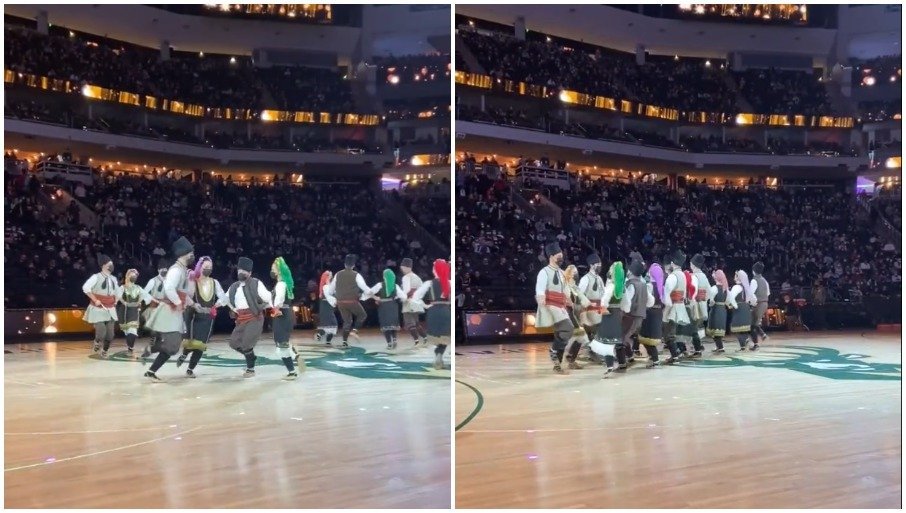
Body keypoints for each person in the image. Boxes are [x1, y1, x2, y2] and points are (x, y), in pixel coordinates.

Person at [144, 237, 196, 381]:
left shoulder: (183, 270)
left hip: (175, 312)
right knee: (173, 346)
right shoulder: (176, 270)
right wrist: (178, 302)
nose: (192, 255)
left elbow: (183, 293)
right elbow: (169, 288)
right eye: (190, 253)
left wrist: (193, 304)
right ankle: (152, 352)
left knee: (173, 347)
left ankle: (151, 368)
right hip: (169, 311)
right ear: (183, 253)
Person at [176, 256, 227, 377]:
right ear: (200, 267)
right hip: (194, 316)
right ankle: (185, 353)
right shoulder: (193, 281)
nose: (208, 269)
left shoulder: (214, 282)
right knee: (192, 342)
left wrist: (216, 305)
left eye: (210, 267)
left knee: (201, 345)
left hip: (208, 318)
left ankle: (190, 369)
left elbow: (223, 297)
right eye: (206, 267)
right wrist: (194, 304)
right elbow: (185, 296)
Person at [225, 256, 274, 378]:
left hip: (254, 317)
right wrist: (217, 306)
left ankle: (250, 369)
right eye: (239, 270)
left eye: (244, 271)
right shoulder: (234, 286)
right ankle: (251, 357)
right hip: (241, 319)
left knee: (247, 344)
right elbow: (224, 299)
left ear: (250, 273)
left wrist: (271, 306)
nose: (241, 272)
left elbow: (268, 297)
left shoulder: (256, 283)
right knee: (234, 343)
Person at [534, 242, 573, 374]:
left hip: (561, 306)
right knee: (568, 328)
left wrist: (570, 300)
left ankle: (557, 364)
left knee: (561, 334)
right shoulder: (544, 272)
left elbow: (566, 289)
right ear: (551, 257)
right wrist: (541, 300)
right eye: (558, 256)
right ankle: (554, 350)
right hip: (551, 305)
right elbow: (540, 289)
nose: (561, 258)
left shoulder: (562, 272)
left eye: (562, 256)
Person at [323, 254, 372, 348]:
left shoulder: (338, 274)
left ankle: (344, 342)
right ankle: (354, 331)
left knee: (347, 321)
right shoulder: (356, 275)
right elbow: (365, 288)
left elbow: (330, 291)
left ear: (345, 264)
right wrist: (370, 293)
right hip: (352, 301)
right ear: (353, 265)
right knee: (362, 315)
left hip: (341, 302)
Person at [411, 259, 452, 369]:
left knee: (435, 336)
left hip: (433, 311)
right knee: (445, 337)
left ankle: (437, 354)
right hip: (446, 311)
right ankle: (439, 354)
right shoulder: (450, 283)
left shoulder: (429, 283)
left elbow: (415, 297)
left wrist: (425, 305)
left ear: (435, 270)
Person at [589, 261, 626, 377]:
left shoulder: (611, 286)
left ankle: (610, 366)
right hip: (618, 315)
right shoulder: (622, 289)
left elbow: (604, 302)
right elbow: (627, 306)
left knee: (606, 342)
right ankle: (622, 363)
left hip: (609, 315)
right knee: (617, 341)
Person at [82, 253, 119, 358]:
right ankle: (97, 341)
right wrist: (95, 299)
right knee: (101, 332)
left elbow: (117, 291)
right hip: (98, 307)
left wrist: (116, 300)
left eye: (112, 264)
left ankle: (105, 350)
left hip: (110, 308)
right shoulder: (96, 277)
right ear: (103, 265)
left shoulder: (114, 279)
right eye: (109, 264)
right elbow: (85, 288)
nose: (112, 266)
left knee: (110, 335)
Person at [271, 256, 301, 380]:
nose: (272, 271)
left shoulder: (280, 284)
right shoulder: (285, 284)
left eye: (273, 268)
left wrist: (276, 308)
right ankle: (294, 355)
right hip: (286, 314)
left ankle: (292, 371)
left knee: (281, 344)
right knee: (282, 342)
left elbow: (279, 299)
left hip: (281, 315)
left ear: (279, 271)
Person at [116, 268, 154, 357]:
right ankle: (130, 346)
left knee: (132, 330)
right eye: (132, 274)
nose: (134, 276)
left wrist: (140, 301)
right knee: (127, 332)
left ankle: (130, 347)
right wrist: (122, 302)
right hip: (124, 312)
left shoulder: (138, 288)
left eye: (135, 275)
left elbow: (146, 296)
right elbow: (116, 297)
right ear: (127, 276)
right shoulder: (122, 288)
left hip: (134, 312)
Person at [367, 268, 406, 350]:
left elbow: (369, 292)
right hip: (393, 305)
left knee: (385, 325)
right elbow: (403, 296)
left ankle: (389, 343)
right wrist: (396, 297)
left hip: (383, 306)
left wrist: (376, 298)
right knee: (393, 324)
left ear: (384, 276)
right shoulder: (395, 286)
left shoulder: (380, 285)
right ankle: (394, 340)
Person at [661, 251, 688, 363]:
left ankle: (675, 354)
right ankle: (680, 351)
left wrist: (666, 309)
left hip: (672, 306)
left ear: (672, 263)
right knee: (675, 330)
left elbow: (667, 294)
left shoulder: (672, 276)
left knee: (668, 332)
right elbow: (684, 293)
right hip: (681, 305)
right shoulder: (682, 275)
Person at [562, 264, 590, 369]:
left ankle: (570, 358)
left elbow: (583, 299)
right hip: (569, 314)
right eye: (574, 273)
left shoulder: (575, 287)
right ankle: (568, 357)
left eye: (576, 272)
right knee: (582, 337)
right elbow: (567, 302)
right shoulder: (566, 286)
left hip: (576, 314)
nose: (576, 274)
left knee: (579, 338)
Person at [140, 258, 170, 359]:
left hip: (165, 308)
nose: (164, 270)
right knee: (155, 330)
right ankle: (151, 347)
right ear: (158, 270)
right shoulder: (153, 281)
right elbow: (144, 292)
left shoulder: (169, 281)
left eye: (166, 268)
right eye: (162, 268)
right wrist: (151, 299)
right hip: (154, 308)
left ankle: (158, 347)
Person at [577, 253, 605, 360]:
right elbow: (580, 294)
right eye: (598, 264)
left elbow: (603, 293)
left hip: (598, 309)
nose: (600, 266)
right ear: (591, 265)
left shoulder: (599, 279)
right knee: (593, 332)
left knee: (598, 332)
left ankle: (594, 352)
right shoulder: (586, 279)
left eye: (600, 264)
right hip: (589, 309)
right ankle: (592, 352)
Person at [620, 258, 648, 363]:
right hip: (640, 316)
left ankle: (622, 360)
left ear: (631, 271)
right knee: (626, 336)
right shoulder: (644, 284)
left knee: (622, 337)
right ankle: (629, 355)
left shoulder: (631, 284)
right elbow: (649, 301)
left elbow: (627, 301)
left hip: (631, 316)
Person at [637, 263, 663, 367]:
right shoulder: (662, 287)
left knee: (646, 337)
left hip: (649, 314)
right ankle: (654, 358)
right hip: (658, 313)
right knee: (652, 338)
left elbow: (647, 300)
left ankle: (654, 359)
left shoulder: (649, 285)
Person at [400, 257, 429, 348]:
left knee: (409, 323)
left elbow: (407, 291)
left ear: (406, 267)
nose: (402, 269)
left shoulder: (406, 277)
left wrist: (404, 298)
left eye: (402, 267)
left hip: (409, 302)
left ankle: (417, 341)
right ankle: (425, 338)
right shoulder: (417, 277)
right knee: (416, 323)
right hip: (416, 302)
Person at [689, 253, 711, 352]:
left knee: (693, 326)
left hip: (695, 303)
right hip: (702, 303)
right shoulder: (704, 276)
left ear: (693, 265)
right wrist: (704, 299)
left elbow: (693, 291)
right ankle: (699, 344)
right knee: (699, 325)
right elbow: (709, 291)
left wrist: (691, 301)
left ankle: (696, 346)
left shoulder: (694, 276)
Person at [728, 270, 755, 351]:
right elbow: (753, 299)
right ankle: (745, 343)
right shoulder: (746, 288)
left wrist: (734, 305)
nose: (734, 277)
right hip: (746, 307)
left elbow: (731, 298)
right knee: (744, 329)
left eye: (735, 276)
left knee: (737, 328)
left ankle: (743, 345)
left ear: (737, 277)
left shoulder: (736, 287)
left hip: (739, 308)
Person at [707, 269, 730, 354]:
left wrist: (711, 304)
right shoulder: (726, 289)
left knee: (714, 328)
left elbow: (711, 301)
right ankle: (719, 347)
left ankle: (720, 347)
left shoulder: (714, 288)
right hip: (722, 309)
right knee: (718, 329)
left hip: (715, 310)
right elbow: (728, 302)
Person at [750, 262, 770, 350]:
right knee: (754, 323)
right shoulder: (764, 280)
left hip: (758, 303)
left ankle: (756, 344)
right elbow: (768, 293)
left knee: (752, 325)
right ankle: (762, 334)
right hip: (765, 303)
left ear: (753, 271)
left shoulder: (754, 280)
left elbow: (751, 294)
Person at [315, 271, 339, 345]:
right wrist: (335, 302)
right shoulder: (325, 286)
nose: (331, 276)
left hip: (328, 307)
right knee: (332, 324)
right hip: (326, 307)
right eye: (330, 275)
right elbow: (329, 297)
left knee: (330, 324)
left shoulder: (329, 286)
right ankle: (322, 336)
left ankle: (324, 338)